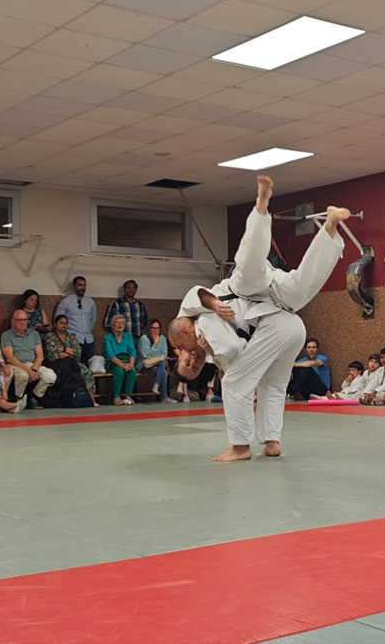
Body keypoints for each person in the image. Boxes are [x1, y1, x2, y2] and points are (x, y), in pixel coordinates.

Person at [168, 175, 348, 461]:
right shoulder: (203, 346)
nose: (194, 362)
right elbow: (236, 353)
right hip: (281, 313)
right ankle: (329, 227)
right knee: (303, 287)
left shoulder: (191, 323)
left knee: (235, 383)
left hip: (247, 294)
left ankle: (261, 210)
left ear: (181, 345)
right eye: (194, 370)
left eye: (187, 360)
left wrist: (214, 306)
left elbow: (205, 305)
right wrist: (212, 352)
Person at [1, 309, 57, 409]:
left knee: (50, 376)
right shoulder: (7, 335)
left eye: (24, 320)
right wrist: (28, 371)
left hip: (32, 364)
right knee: (23, 375)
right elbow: (10, 358)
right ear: (13, 321)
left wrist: (34, 370)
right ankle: (18, 399)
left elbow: (40, 356)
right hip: (15, 364)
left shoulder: (34, 334)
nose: (22, 322)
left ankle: (34, 397)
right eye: (19, 320)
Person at [44, 315, 97, 400]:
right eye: (61, 323)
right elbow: (52, 354)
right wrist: (69, 352)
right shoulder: (50, 336)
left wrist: (63, 349)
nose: (64, 325)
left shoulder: (72, 336)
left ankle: (91, 399)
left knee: (86, 371)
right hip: (57, 364)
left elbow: (77, 352)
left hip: (73, 363)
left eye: (66, 323)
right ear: (55, 325)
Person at [56, 276, 97, 363]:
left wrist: (88, 330)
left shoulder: (90, 302)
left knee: (91, 366)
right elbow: (58, 320)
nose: (82, 288)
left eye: (84, 285)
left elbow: (93, 320)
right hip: (72, 339)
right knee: (76, 367)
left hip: (89, 340)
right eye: (80, 285)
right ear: (74, 286)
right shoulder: (66, 302)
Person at [138, 319, 175, 404]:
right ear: (149, 329)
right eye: (153, 328)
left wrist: (157, 357)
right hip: (145, 365)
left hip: (158, 365)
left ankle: (157, 387)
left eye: (158, 328)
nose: (156, 331)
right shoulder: (144, 339)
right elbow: (146, 355)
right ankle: (163, 396)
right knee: (162, 367)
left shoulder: (162, 338)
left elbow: (164, 354)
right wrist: (155, 344)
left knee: (163, 368)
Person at [105, 314, 137, 405]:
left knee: (132, 370)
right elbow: (110, 354)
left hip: (127, 360)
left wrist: (131, 362)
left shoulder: (128, 336)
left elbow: (132, 351)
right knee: (119, 370)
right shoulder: (108, 337)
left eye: (122, 323)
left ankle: (128, 396)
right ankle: (116, 396)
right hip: (113, 362)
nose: (120, 325)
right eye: (117, 323)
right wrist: (122, 365)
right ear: (112, 325)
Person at [105, 279, 148, 345]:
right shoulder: (117, 303)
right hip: (122, 338)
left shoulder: (140, 305)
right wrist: (117, 335)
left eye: (133, 288)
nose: (131, 290)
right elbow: (109, 323)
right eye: (129, 287)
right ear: (124, 289)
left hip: (137, 338)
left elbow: (144, 322)